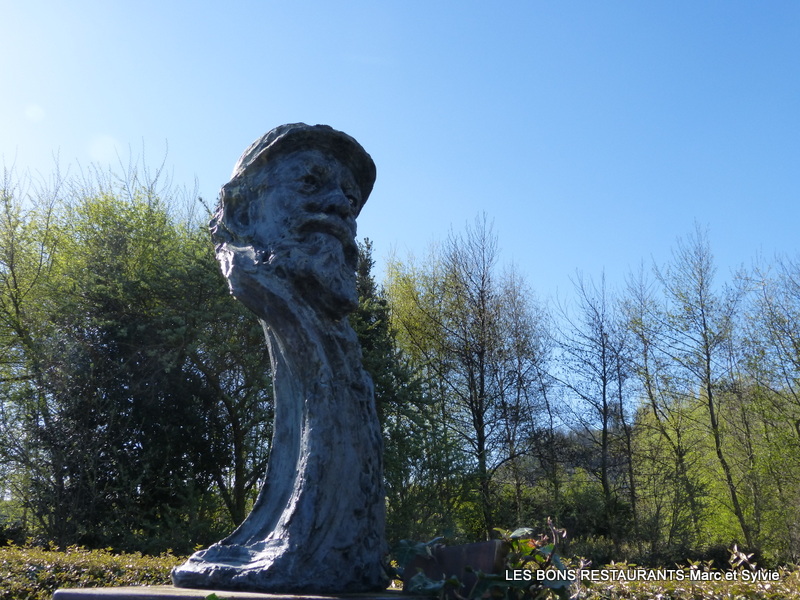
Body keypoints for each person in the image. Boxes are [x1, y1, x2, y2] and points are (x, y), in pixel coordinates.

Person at [172, 124, 388, 593]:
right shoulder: (263, 282)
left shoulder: (336, 338)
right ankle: (281, 536)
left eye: (351, 198)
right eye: (309, 182)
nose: (341, 205)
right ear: (243, 210)